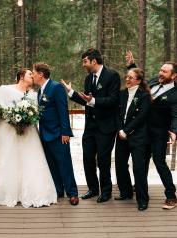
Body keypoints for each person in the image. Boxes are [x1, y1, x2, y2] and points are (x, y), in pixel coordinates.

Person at [0, 68, 57, 208]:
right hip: (9, 131)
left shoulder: (34, 94)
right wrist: (13, 119)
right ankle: (10, 192)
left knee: (30, 160)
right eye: (29, 74)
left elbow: (36, 113)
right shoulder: (5, 89)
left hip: (28, 132)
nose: (32, 76)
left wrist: (27, 119)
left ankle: (32, 192)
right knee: (10, 161)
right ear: (21, 76)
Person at [62, 48, 121, 203]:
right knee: (87, 158)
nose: (83, 65)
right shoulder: (88, 79)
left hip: (106, 127)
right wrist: (71, 93)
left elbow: (113, 100)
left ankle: (106, 191)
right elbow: (86, 100)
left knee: (103, 160)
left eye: (85, 61)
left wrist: (92, 101)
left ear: (94, 61)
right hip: (90, 128)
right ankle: (93, 189)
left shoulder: (112, 75)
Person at [126, 51, 177, 210]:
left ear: (174, 76)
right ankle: (140, 187)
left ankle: (171, 195)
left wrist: (174, 130)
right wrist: (132, 65)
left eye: (164, 71)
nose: (160, 73)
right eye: (161, 70)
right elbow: (142, 83)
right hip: (142, 131)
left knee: (159, 162)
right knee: (141, 161)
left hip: (159, 133)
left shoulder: (175, 94)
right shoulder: (154, 82)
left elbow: (176, 114)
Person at [33, 62, 79, 206]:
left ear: (41, 74)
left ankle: (72, 193)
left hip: (58, 134)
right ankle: (59, 190)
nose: (33, 75)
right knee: (52, 165)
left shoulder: (56, 87)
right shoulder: (41, 91)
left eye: (34, 73)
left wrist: (65, 132)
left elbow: (63, 110)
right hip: (45, 134)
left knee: (64, 164)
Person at [115, 67, 151, 211]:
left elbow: (142, 116)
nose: (127, 80)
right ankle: (126, 192)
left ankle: (142, 199)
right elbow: (117, 114)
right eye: (127, 77)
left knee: (139, 168)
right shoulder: (122, 94)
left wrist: (126, 130)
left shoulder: (144, 96)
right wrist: (120, 130)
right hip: (121, 135)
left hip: (138, 136)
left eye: (131, 77)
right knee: (120, 164)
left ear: (138, 80)